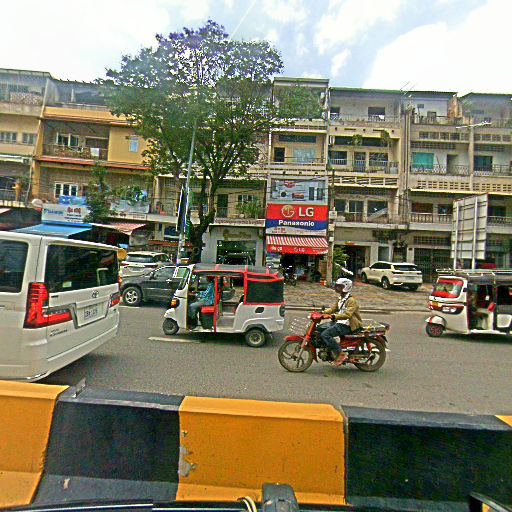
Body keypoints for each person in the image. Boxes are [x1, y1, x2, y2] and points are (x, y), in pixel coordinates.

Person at [316, 277, 363, 366]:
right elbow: (334, 308)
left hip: (348, 325)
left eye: (339, 286)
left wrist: (333, 316)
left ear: (346, 287)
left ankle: (340, 354)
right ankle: (328, 348)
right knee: (320, 328)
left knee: (325, 334)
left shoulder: (351, 300)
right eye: (337, 286)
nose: (336, 288)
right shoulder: (341, 298)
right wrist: (322, 313)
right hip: (341, 322)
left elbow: (347, 315)